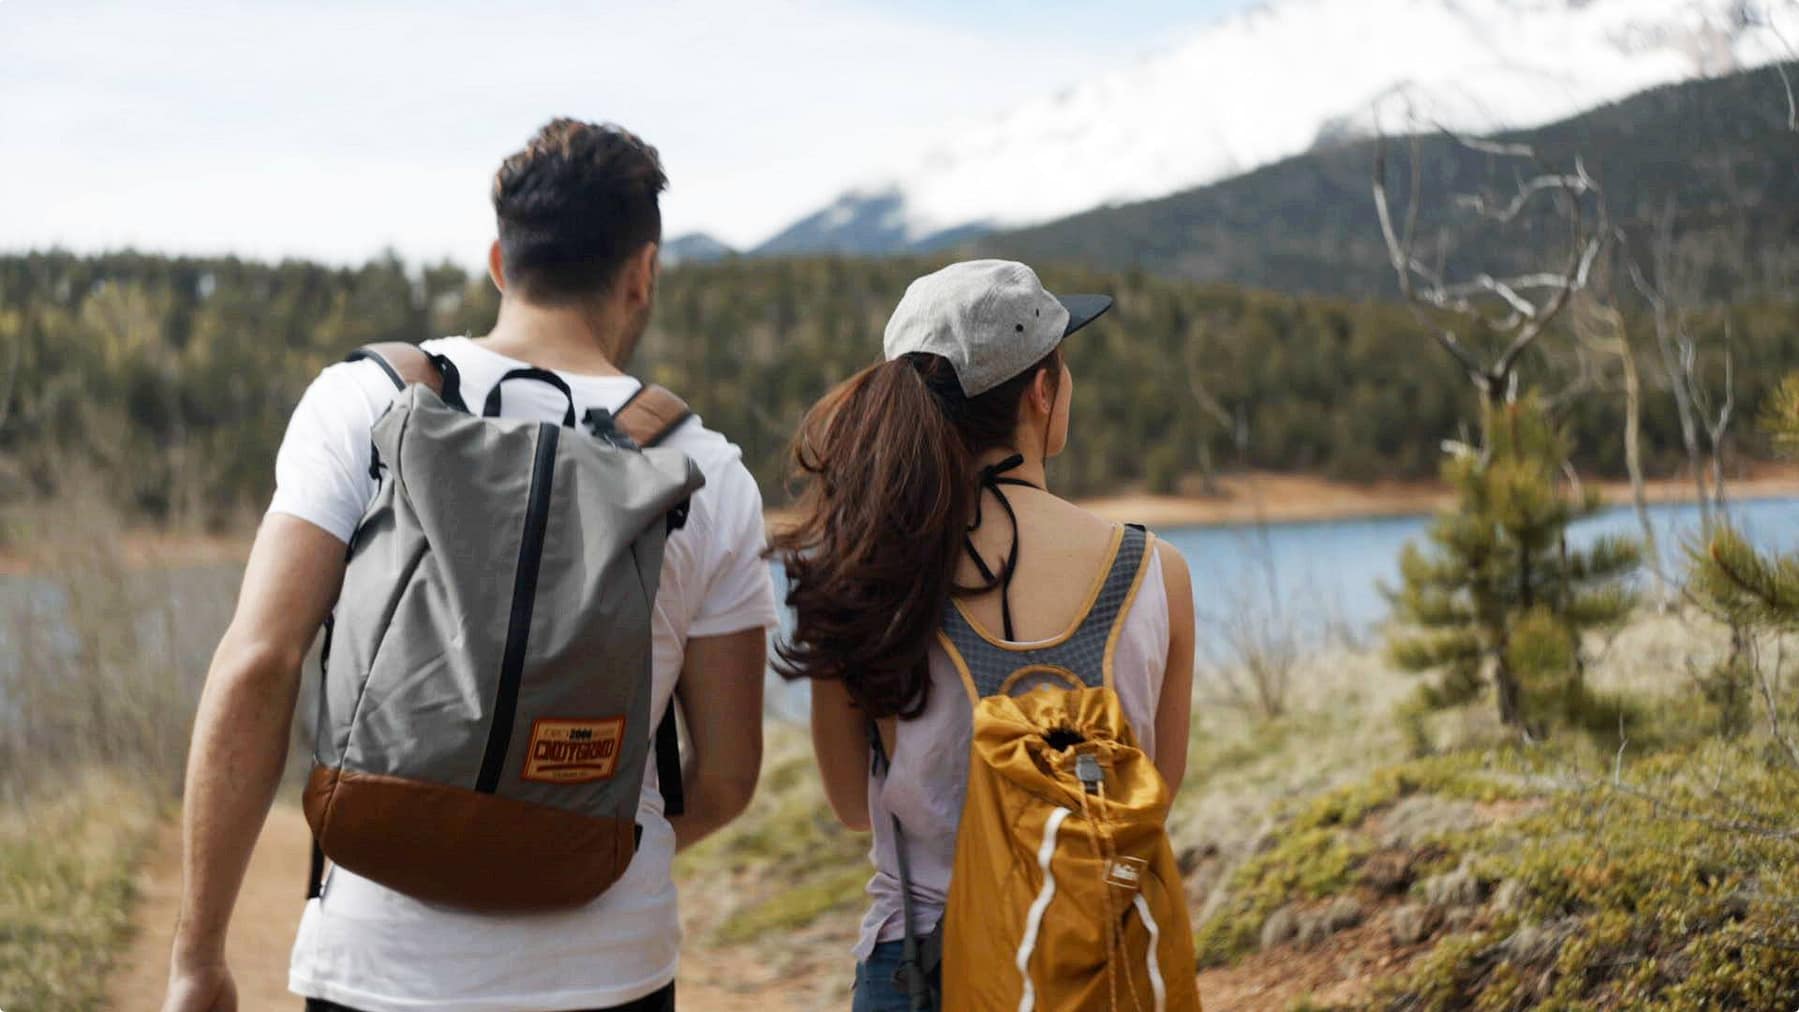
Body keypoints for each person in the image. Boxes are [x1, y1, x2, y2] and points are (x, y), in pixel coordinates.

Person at [162, 118, 776, 1012]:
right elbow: (726, 779)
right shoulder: (703, 470)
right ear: (641, 272)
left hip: (378, 963)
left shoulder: (365, 403)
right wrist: (571, 839)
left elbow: (261, 663)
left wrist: (200, 952)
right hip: (608, 968)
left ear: (499, 260)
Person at [772, 259, 1197, 1010]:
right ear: (1042, 389)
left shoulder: (864, 574)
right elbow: (1153, 791)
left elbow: (848, 803)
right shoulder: (1156, 573)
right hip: (1089, 961)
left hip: (920, 967)